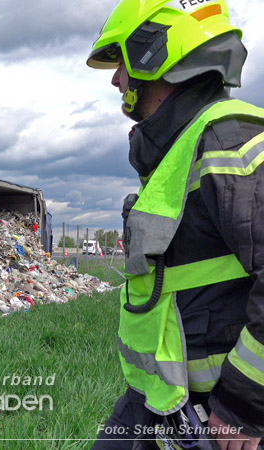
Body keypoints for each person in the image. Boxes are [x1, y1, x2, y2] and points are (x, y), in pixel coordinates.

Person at [86, 1, 264, 448]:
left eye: (122, 62)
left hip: (221, 417)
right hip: (164, 404)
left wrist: (243, 407)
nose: (116, 79)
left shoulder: (228, 141)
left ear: (154, 54)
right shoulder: (180, 149)